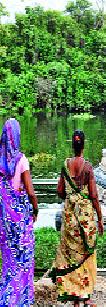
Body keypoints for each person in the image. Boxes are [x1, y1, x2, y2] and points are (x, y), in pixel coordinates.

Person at [49, 130, 103, 307]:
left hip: (70, 216)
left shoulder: (65, 165)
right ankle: (86, 296)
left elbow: (59, 191)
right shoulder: (87, 167)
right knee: (86, 254)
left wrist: (70, 195)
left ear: (73, 145)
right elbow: (94, 195)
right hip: (85, 218)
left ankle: (74, 299)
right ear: (84, 145)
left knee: (71, 255)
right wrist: (100, 219)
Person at [0, 118, 38, 306]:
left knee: (8, 261)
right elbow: (30, 191)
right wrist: (36, 209)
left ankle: (6, 297)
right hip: (19, 220)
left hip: (4, 221)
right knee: (23, 258)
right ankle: (20, 300)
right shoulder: (21, 160)